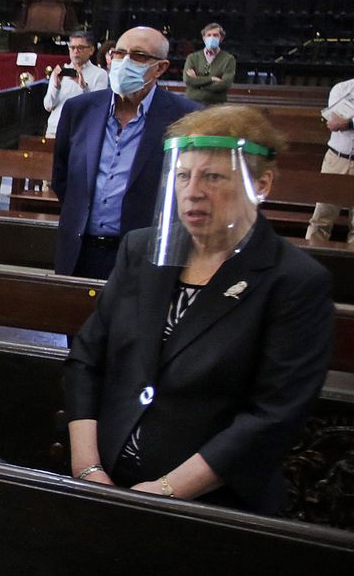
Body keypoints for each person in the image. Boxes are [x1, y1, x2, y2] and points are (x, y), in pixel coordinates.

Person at [64, 105, 333, 515]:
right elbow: (87, 358)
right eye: (183, 175)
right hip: (105, 483)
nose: (192, 191)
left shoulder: (294, 281)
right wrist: (88, 469)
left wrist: (164, 492)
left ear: (261, 184)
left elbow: (273, 416)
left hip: (211, 505)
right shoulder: (142, 250)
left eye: (213, 177)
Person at [51, 26, 202, 279]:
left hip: (145, 257)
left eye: (138, 56)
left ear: (160, 68)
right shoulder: (80, 109)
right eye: (119, 53)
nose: (124, 62)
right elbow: (62, 177)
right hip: (80, 252)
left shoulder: (186, 118)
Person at [305, 75, 354, 242]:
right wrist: (344, 123)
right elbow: (334, 123)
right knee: (322, 218)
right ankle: (312, 256)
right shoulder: (342, 89)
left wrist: (349, 123)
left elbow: (343, 123)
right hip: (337, 159)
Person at [42, 30, 109, 138]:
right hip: (55, 129)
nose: (75, 51)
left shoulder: (100, 74)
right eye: (72, 47)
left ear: (91, 50)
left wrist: (84, 87)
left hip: (81, 132)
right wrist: (56, 87)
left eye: (80, 48)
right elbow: (48, 106)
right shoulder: (59, 72)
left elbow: (98, 106)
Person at [182, 23, 235, 107]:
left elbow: (225, 84)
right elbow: (188, 80)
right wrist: (211, 79)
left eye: (215, 35)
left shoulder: (228, 59)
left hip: (215, 105)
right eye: (209, 35)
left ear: (221, 38)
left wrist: (198, 84)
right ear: (204, 38)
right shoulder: (192, 57)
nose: (212, 38)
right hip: (192, 103)